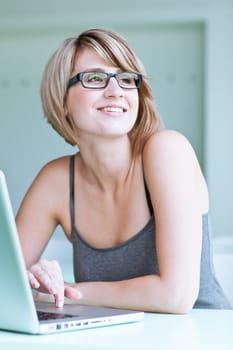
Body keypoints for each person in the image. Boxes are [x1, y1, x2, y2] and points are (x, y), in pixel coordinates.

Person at [16, 28, 232, 313]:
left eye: (126, 79)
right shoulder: (55, 181)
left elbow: (175, 296)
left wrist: (64, 292)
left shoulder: (167, 150)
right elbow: (5, 284)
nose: (116, 91)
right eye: (94, 78)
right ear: (63, 100)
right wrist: (36, 281)